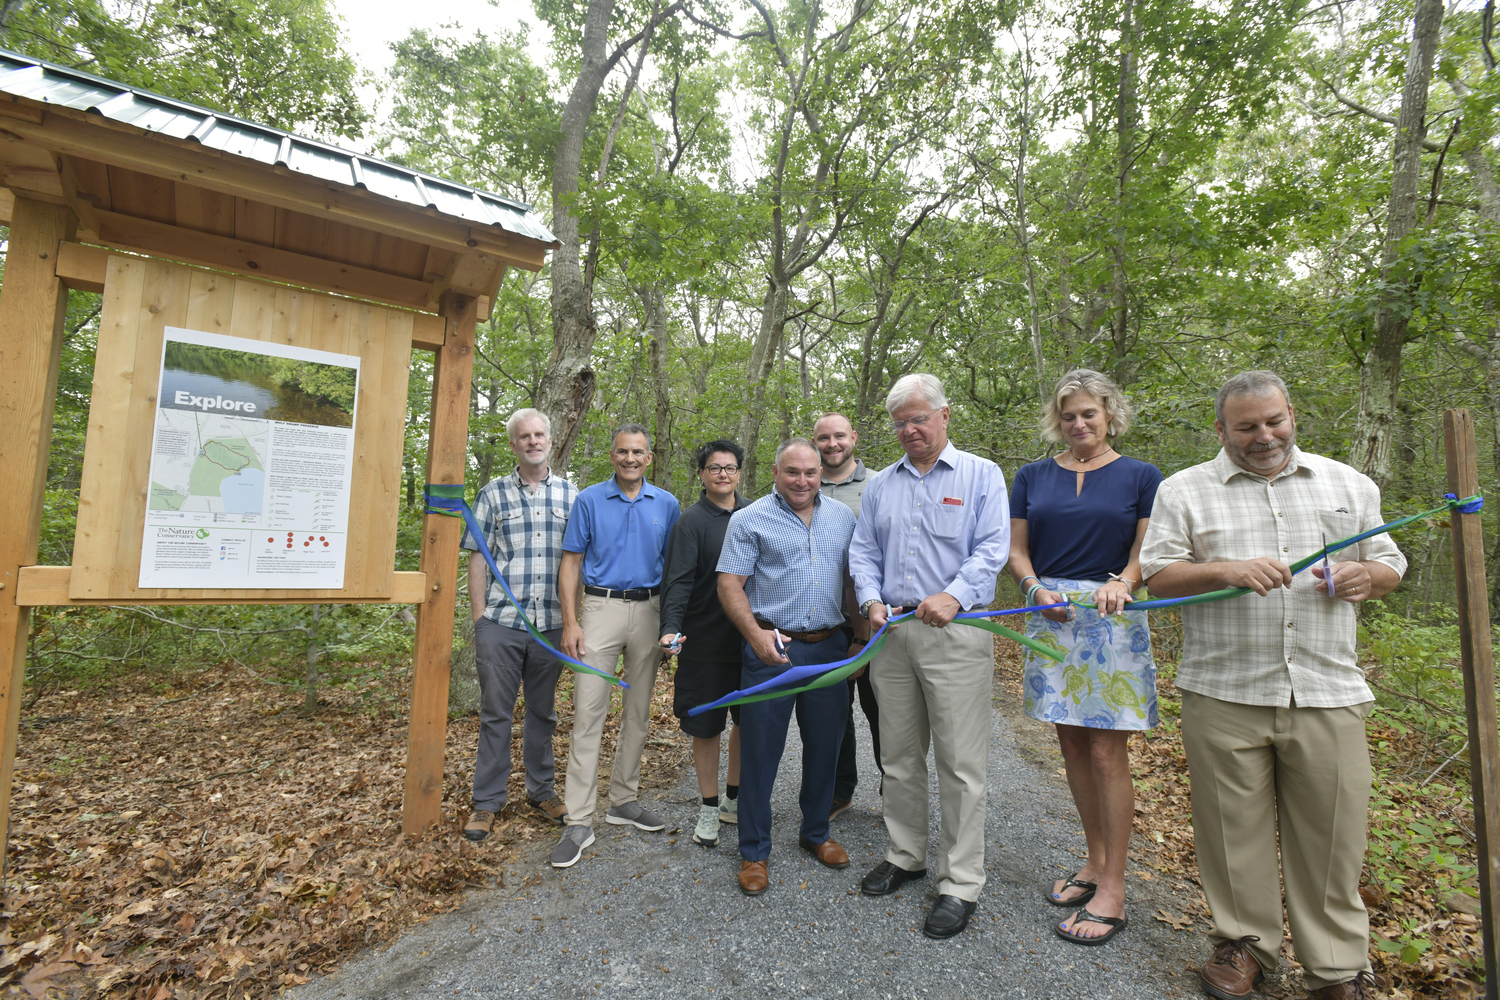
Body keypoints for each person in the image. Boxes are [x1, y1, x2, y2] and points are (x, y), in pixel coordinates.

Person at [1139, 371, 1406, 1000]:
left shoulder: (1349, 483)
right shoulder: (1185, 491)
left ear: (1292, 413)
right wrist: (1225, 569)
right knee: (1232, 833)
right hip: (1225, 689)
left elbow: (1390, 563)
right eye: (1247, 426)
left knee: (1334, 838)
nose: (1264, 436)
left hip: (1327, 689)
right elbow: (1158, 576)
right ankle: (1244, 947)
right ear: (1221, 429)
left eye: (1274, 421)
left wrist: (1367, 576)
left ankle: (1336, 969)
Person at [848, 373, 1010, 940]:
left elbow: (994, 547)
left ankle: (960, 882)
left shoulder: (980, 475)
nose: (910, 430)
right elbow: (863, 550)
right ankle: (905, 854)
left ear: (944, 416)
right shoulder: (881, 485)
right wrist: (869, 598)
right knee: (898, 753)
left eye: (919, 418)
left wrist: (955, 594)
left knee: (961, 764)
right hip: (892, 632)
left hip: (956, 631)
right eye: (900, 422)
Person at [1006, 369, 1162, 945]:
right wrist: (1032, 590)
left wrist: (1124, 579)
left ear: (1109, 414)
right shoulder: (1031, 476)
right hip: (1049, 616)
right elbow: (1017, 551)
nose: (1078, 424)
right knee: (1069, 742)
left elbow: (1148, 552)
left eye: (1088, 414)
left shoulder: (1142, 476)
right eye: (1068, 415)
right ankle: (1094, 861)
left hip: (1112, 618)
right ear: (1057, 420)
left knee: (1105, 752)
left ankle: (1115, 887)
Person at [717, 438, 857, 896]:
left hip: (829, 649)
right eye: (792, 472)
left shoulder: (843, 518)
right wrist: (754, 636)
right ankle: (754, 851)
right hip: (770, 648)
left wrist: (857, 639)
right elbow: (730, 585)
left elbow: (855, 580)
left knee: (826, 745)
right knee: (759, 753)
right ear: (775, 472)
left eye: (810, 472)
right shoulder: (749, 518)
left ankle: (815, 832)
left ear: (822, 473)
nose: (802, 481)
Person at [550, 423, 682, 869]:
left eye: (638, 452)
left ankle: (624, 800)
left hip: (649, 611)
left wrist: (672, 625)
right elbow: (571, 562)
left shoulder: (666, 503)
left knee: (639, 713)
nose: (630, 458)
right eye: (622, 451)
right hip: (599, 610)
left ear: (649, 457)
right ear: (613, 456)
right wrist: (571, 621)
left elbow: (675, 570)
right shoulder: (589, 500)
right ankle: (580, 821)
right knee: (588, 714)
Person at [460, 409, 578, 842]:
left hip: (550, 625)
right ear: (514, 445)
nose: (532, 441)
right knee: (496, 714)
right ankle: (487, 803)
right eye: (524, 436)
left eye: (539, 434)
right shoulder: (491, 495)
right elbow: (477, 557)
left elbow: (578, 563)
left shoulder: (572, 496)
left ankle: (541, 791)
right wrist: (480, 620)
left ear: (551, 439)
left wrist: (573, 621)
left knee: (543, 713)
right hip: (502, 624)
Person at [659, 440, 748, 849]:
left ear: (739, 472)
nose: (723, 474)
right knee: (706, 726)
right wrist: (670, 628)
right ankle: (709, 807)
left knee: (747, 723)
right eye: (715, 468)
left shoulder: (756, 514)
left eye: (730, 468)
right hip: (705, 643)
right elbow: (676, 581)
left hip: (750, 640)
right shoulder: (690, 522)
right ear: (702, 474)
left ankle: (733, 800)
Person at [814, 412, 880, 821]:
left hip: (874, 620)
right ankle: (840, 790)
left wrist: (865, 630)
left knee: (884, 713)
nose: (832, 444)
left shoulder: (880, 485)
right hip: (823, 623)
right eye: (824, 438)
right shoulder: (801, 483)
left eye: (839, 436)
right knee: (832, 716)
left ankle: (897, 790)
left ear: (853, 437)